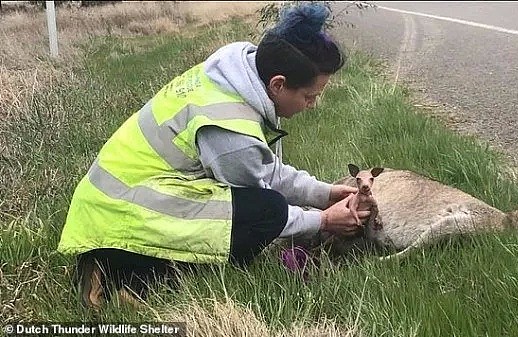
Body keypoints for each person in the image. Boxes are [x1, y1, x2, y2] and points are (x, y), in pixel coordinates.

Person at [57, 2, 371, 309]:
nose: (312, 105)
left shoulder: (236, 73)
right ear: (278, 84)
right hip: (119, 214)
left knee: (249, 221)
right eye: (309, 96)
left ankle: (121, 262)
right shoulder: (231, 129)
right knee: (266, 214)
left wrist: (324, 193)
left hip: (119, 198)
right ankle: (117, 274)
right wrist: (324, 221)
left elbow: (266, 171)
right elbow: (261, 199)